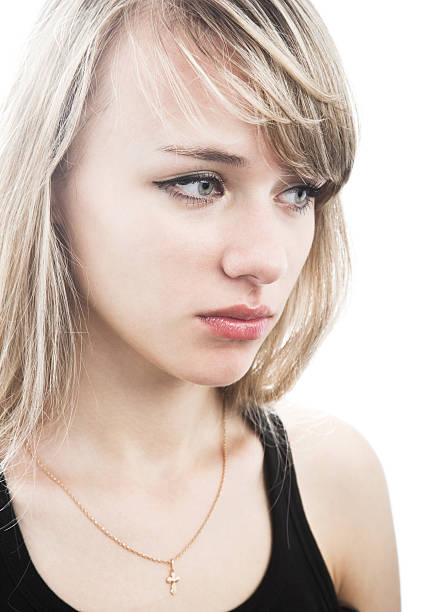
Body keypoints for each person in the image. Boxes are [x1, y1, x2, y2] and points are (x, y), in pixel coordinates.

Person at [0, 1, 400, 610]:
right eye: (199, 184)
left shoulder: (336, 483)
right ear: (51, 183)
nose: (266, 260)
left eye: (299, 192)